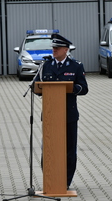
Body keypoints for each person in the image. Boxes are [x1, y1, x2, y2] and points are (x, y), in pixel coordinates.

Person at [34, 33, 88, 189]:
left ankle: (65, 182)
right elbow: (37, 86)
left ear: (66, 49)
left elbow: (84, 88)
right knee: (49, 148)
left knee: (69, 150)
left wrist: (70, 88)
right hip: (51, 115)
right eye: (53, 48)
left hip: (68, 115)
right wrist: (37, 89)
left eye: (57, 48)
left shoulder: (76, 66)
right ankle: (50, 180)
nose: (54, 50)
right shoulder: (45, 65)